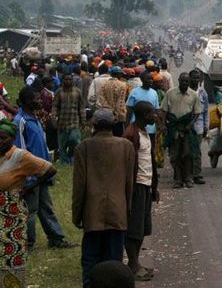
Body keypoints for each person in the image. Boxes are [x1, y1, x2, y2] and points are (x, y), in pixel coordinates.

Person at [72, 109, 136, 288]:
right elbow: (129, 183)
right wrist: (127, 209)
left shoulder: (84, 147)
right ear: (114, 123)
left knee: (90, 259)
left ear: (93, 125)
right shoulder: (126, 146)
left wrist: (76, 214)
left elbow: (79, 187)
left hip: (92, 213)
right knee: (114, 261)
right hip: (118, 211)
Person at [13, 87, 76, 250]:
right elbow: (20, 151)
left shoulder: (35, 118)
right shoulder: (21, 121)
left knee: (46, 207)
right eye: (37, 98)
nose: (41, 101)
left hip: (43, 173)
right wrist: (27, 178)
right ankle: (28, 243)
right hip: (31, 176)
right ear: (27, 101)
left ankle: (56, 238)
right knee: (31, 210)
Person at [0, 121, 56, 287]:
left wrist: (28, 188)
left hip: (11, 213)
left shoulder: (20, 156)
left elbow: (49, 170)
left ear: (12, 138)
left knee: (11, 254)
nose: (0, 141)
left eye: (4, 138)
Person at [122, 101, 156, 282]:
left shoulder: (144, 132)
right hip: (136, 186)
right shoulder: (131, 134)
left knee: (143, 227)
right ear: (144, 115)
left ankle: (135, 263)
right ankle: (133, 265)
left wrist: (154, 187)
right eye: (152, 113)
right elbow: (126, 164)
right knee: (133, 228)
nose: (155, 116)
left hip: (146, 185)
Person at [161, 73, 201, 188]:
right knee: (175, 155)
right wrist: (163, 125)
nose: (184, 83)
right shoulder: (170, 93)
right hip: (174, 128)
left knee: (188, 154)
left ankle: (188, 178)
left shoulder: (194, 95)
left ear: (189, 82)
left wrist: (190, 124)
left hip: (187, 128)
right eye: (182, 81)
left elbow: (197, 113)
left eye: (186, 82)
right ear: (178, 80)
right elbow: (163, 111)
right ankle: (178, 179)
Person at [52, 73, 86, 164]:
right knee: (62, 144)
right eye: (66, 79)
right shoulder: (58, 92)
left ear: (72, 81)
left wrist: (83, 120)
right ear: (63, 81)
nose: (68, 81)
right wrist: (53, 119)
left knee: (74, 140)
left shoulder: (77, 92)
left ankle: (71, 156)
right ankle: (64, 161)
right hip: (62, 122)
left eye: (70, 79)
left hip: (74, 122)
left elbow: (81, 107)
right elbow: (54, 106)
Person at [97, 66, 129, 137]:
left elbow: (102, 100)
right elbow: (120, 102)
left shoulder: (104, 84)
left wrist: (109, 110)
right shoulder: (123, 85)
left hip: (107, 115)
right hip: (119, 117)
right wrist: (115, 114)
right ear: (119, 74)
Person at [189, 70, 208, 185]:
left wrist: (206, 127)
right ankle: (187, 174)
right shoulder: (185, 91)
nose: (196, 80)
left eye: (198, 78)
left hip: (199, 127)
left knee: (196, 152)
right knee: (186, 151)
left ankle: (196, 174)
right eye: (194, 78)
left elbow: (205, 111)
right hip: (186, 126)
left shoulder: (203, 93)